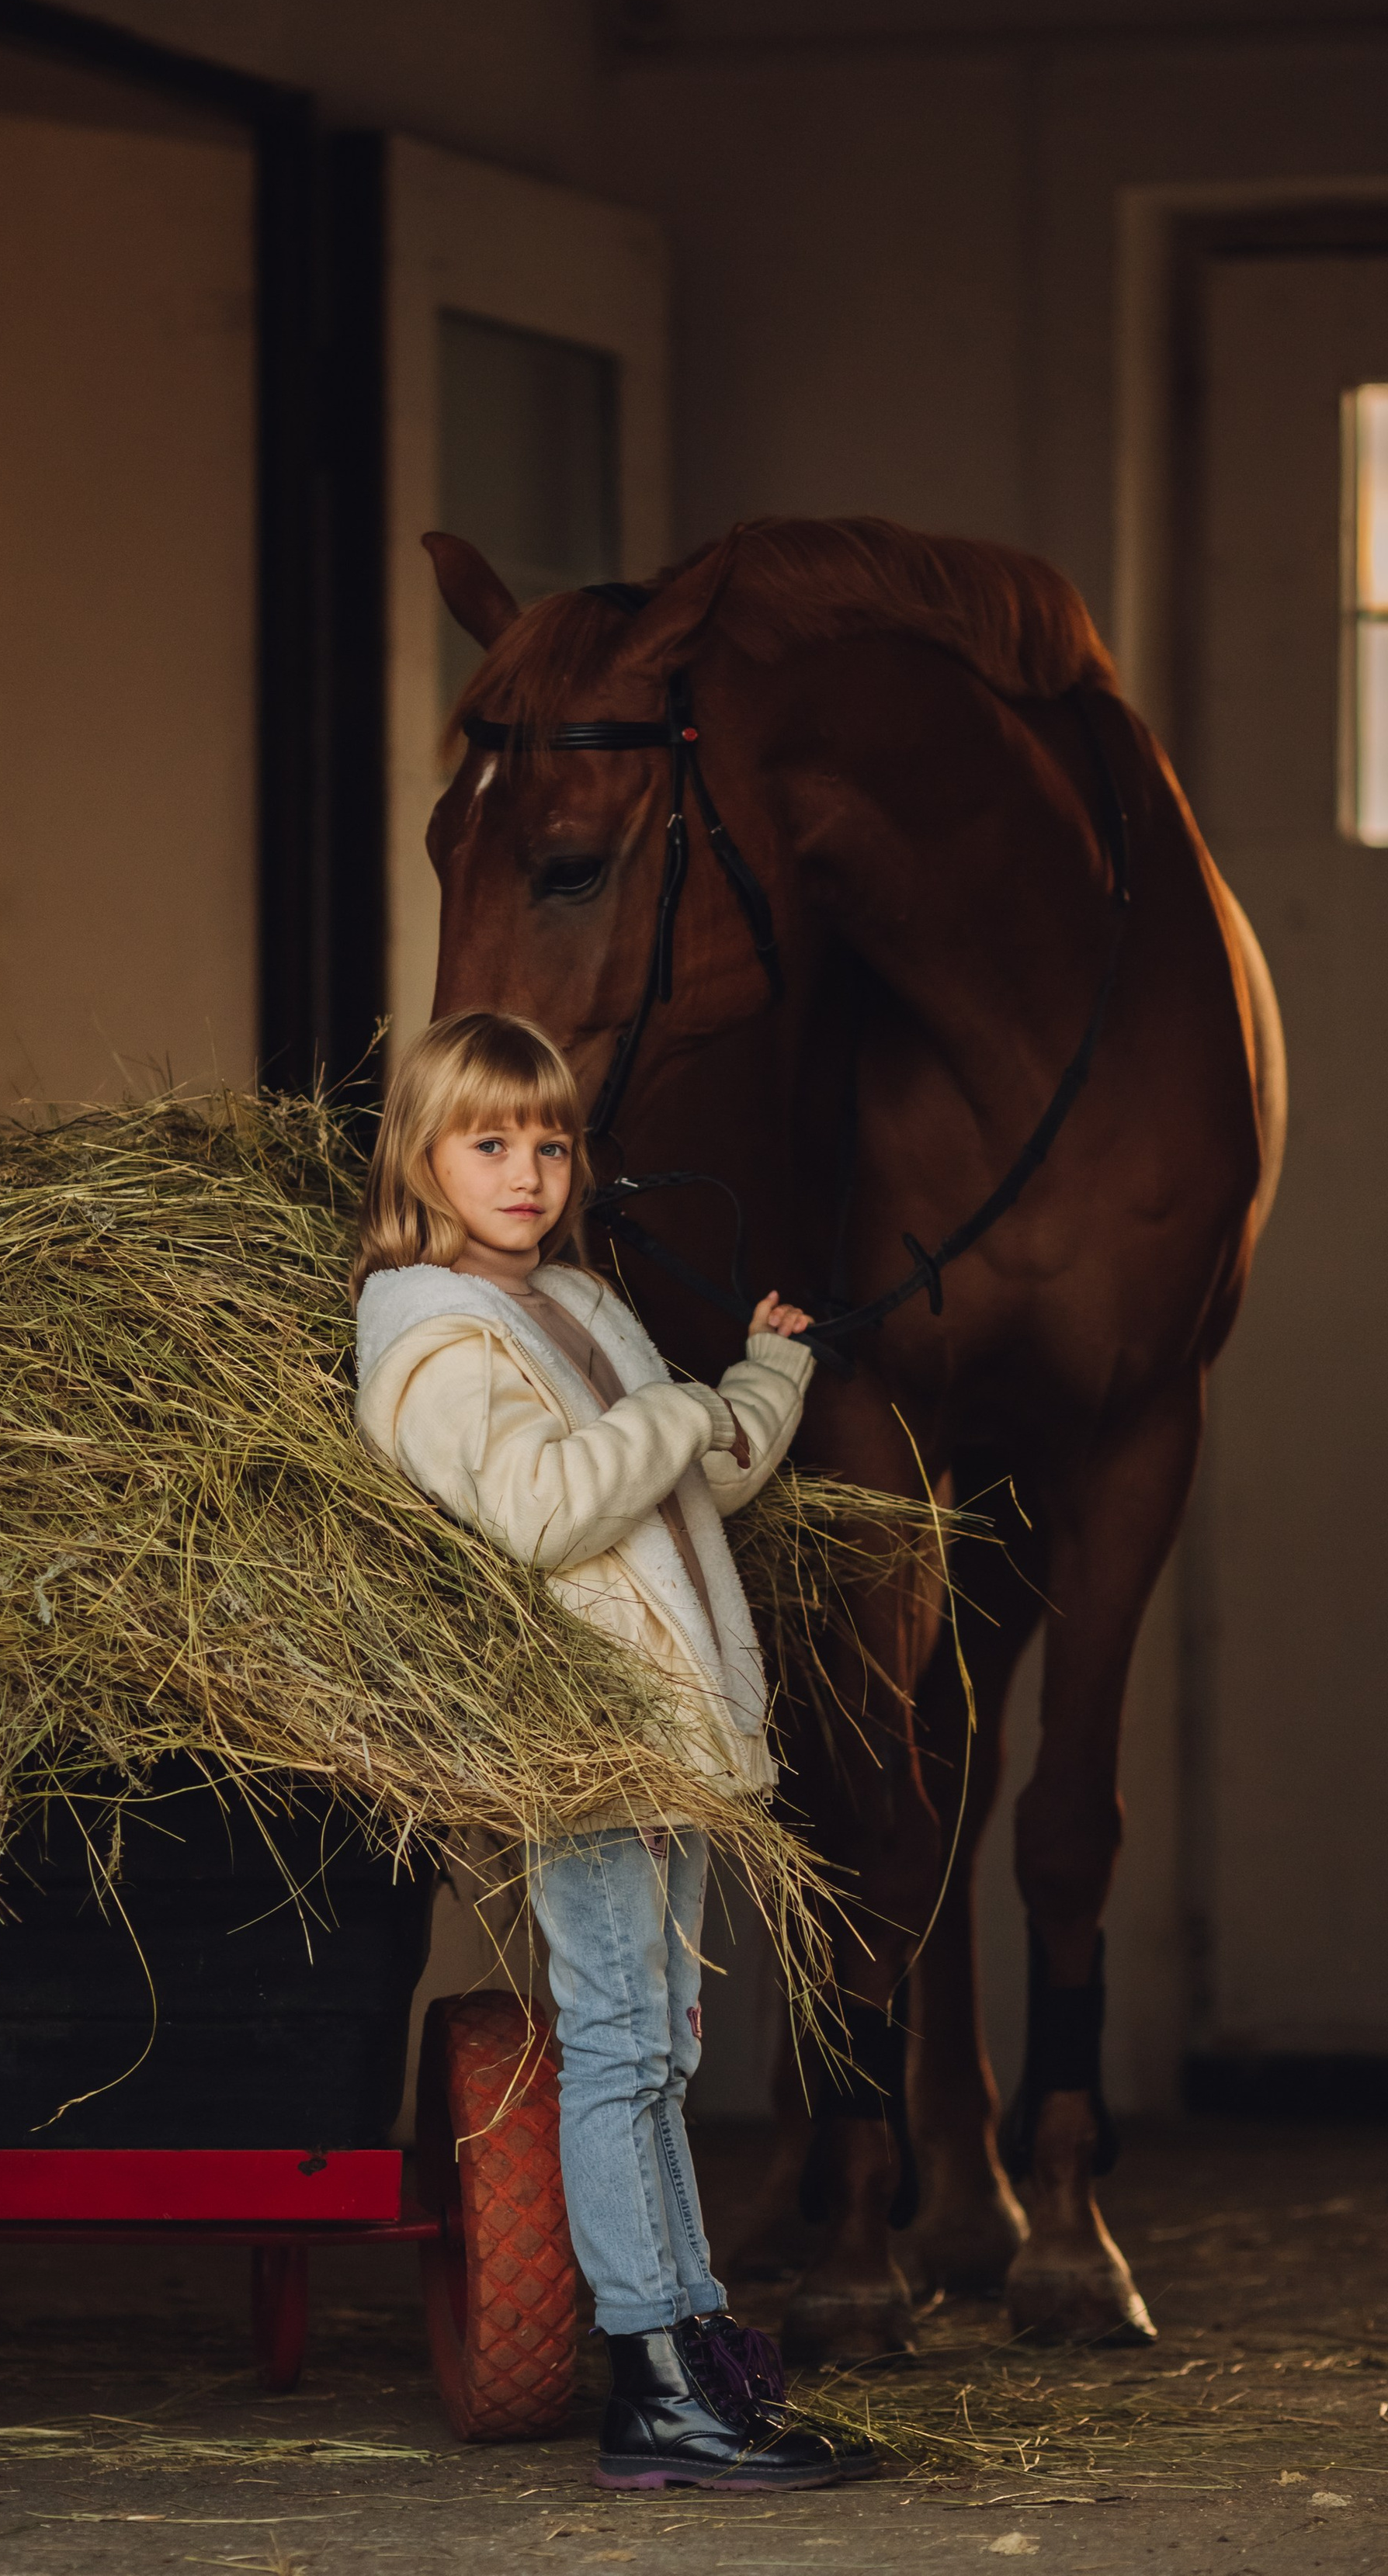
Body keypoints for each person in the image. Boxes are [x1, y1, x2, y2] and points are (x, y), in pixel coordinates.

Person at [353, 1008, 840, 2493]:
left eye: (550, 1142)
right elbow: (546, 1510)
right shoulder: (430, 1333)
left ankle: (699, 2353)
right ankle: (655, 2379)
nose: (527, 1169)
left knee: (663, 2050)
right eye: (489, 1142)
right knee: (622, 2045)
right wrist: (687, 1408)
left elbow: (705, 1473)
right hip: (585, 1737)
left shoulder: (572, 1297)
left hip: (665, 1733)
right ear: (424, 1156)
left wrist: (759, 1379)